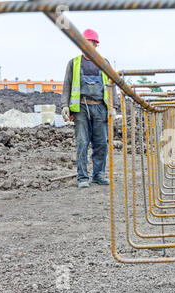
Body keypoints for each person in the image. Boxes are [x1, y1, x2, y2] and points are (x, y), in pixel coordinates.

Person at [61, 28, 113, 188]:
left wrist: (113, 106)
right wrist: (65, 106)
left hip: (100, 108)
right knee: (82, 143)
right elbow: (67, 85)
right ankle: (83, 177)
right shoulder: (74, 63)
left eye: (90, 43)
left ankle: (98, 175)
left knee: (101, 143)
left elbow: (112, 85)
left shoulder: (104, 63)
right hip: (81, 108)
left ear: (96, 45)